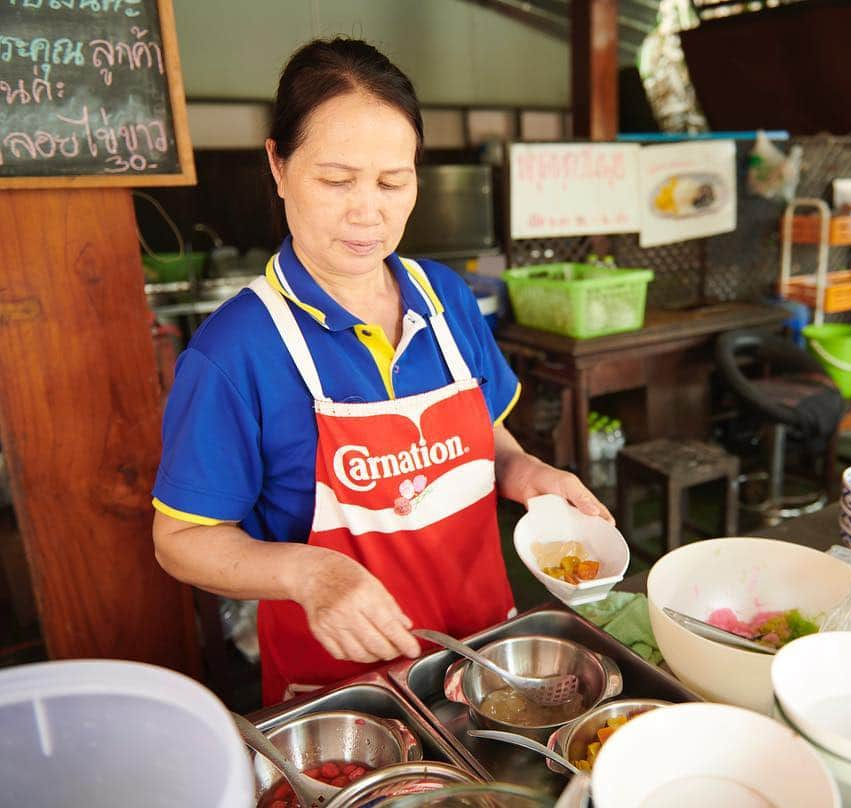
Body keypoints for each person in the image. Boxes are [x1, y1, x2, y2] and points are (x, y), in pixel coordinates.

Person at [151, 38, 610, 704]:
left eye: (394, 181)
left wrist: (524, 473)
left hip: (486, 656)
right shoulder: (235, 352)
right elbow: (180, 540)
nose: (369, 211)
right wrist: (310, 575)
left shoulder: (445, 297)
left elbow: (487, 437)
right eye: (337, 180)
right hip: (349, 694)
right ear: (278, 165)